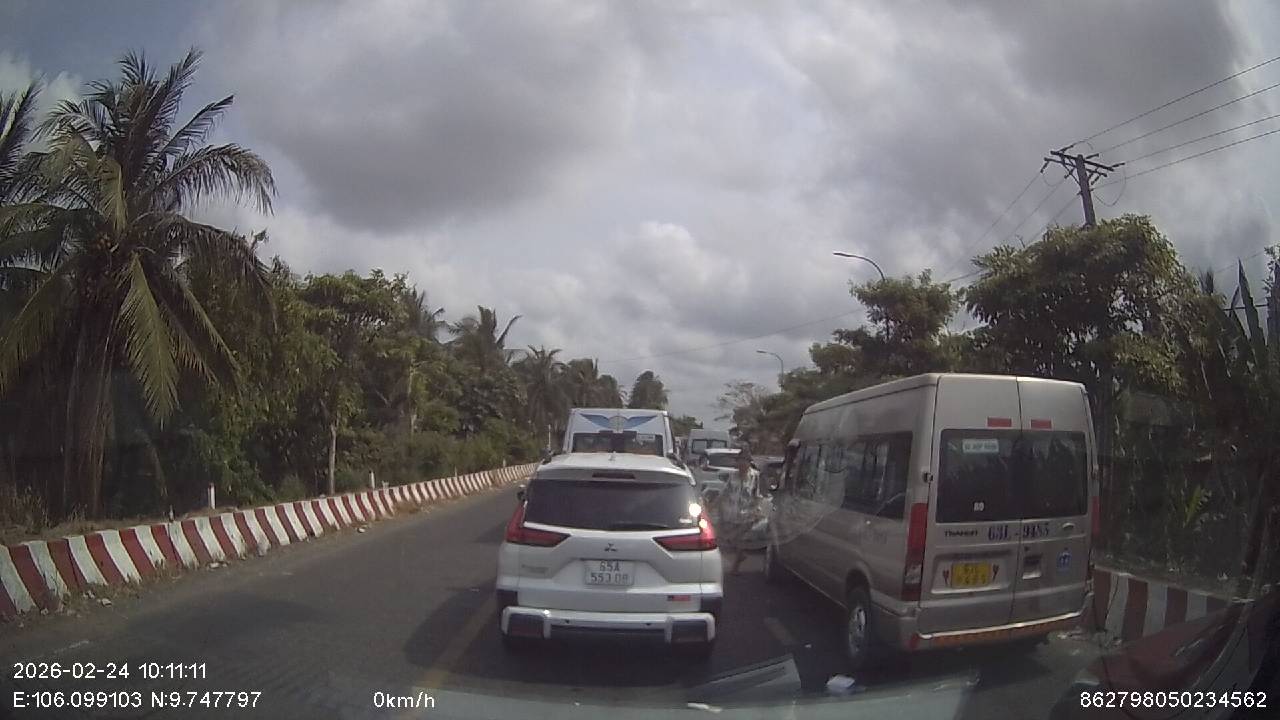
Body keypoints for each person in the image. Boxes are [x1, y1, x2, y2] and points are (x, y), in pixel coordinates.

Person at [712, 448, 762, 575]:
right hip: (733, 513)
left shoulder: (755, 477)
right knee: (731, 538)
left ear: (749, 463)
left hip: (748, 514)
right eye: (739, 461)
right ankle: (740, 555)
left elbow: (758, 495)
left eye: (744, 462)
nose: (741, 465)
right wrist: (713, 505)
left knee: (740, 539)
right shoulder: (733, 476)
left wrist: (757, 510)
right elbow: (724, 493)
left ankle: (735, 567)